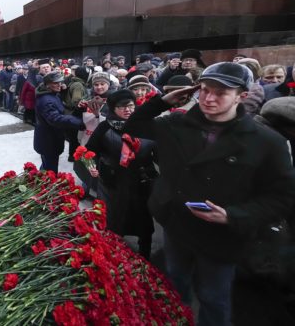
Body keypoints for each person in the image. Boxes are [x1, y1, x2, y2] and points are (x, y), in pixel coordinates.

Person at [124, 62, 295, 326]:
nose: (208, 98)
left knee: (214, 298)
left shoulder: (266, 142)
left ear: (242, 95)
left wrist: (232, 216)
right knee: (173, 288)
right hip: (177, 225)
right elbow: (133, 125)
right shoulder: (175, 124)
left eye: (221, 92)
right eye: (204, 90)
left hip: (222, 237)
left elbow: (282, 197)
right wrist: (163, 101)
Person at [86, 89, 157, 259]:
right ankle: (115, 253)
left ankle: (145, 255)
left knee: (143, 220)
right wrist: (91, 165)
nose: (127, 110)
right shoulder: (105, 127)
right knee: (115, 219)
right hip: (113, 182)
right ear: (113, 109)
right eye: (121, 107)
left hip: (142, 180)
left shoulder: (147, 125)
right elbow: (89, 151)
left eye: (131, 106)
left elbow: (160, 152)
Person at [34, 72, 85, 173]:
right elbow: (55, 119)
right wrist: (79, 123)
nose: (59, 85)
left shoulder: (51, 95)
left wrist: (78, 108)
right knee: (50, 171)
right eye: (56, 83)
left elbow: (61, 110)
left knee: (46, 165)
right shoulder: (47, 100)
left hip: (48, 139)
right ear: (48, 84)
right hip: (49, 140)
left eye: (60, 82)